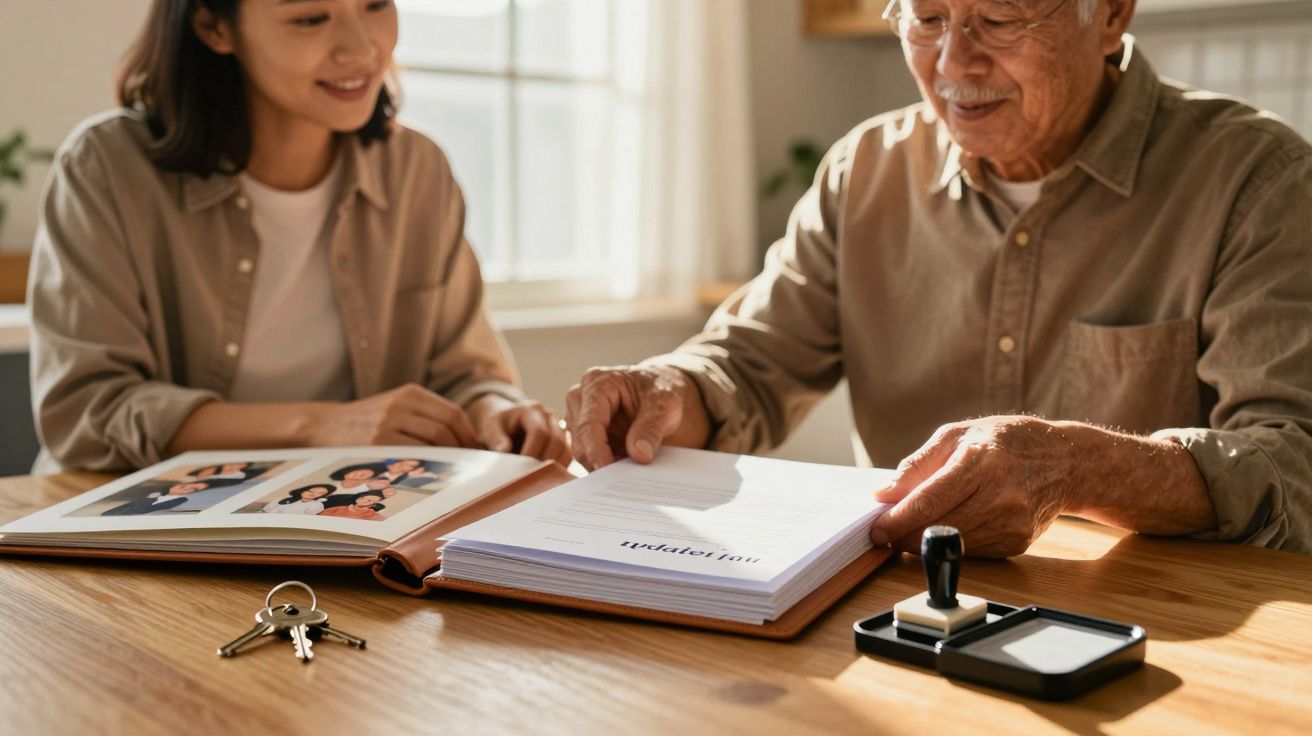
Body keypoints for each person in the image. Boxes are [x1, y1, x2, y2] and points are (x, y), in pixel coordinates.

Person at [567, 0, 1312, 556]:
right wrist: (668, 388)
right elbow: (746, 367)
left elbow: (1295, 460)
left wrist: (1083, 467)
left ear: (1110, 14)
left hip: (1162, 624)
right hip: (897, 601)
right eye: (926, 17)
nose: (954, 63)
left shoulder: (1257, 180)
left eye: (999, 17)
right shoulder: (866, 170)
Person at [29, 0, 571, 474]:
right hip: (143, 534)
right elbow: (86, 411)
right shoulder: (107, 168)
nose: (361, 48)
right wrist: (321, 427)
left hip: (361, 525)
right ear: (214, 27)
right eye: (311, 17)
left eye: (377, 4)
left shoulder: (417, 171)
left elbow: (466, 375)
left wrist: (499, 411)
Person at [102, 479, 235, 516]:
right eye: (186, 486)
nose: (188, 489)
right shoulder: (148, 498)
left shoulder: (180, 501)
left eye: (194, 490)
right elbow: (110, 513)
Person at [261, 483, 333, 515]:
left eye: (320, 493)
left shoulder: (317, 505)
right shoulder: (286, 500)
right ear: (302, 490)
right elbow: (266, 510)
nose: (312, 494)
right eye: (309, 491)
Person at [318, 490, 387, 521]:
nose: (364, 500)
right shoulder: (338, 508)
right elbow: (320, 517)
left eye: (369, 500)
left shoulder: (375, 516)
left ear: (375, 504)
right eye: (362, 498)